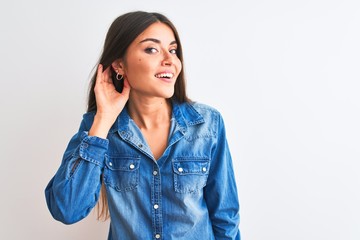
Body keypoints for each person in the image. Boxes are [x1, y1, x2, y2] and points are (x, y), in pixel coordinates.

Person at [45, 11, 240, 240]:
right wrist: (103, 120)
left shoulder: (207, 124)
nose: (169, 60)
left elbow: (225, 217)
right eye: (152, 49)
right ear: (119, 65)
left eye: (173, 50)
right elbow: (67, 209)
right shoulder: (98, 128)